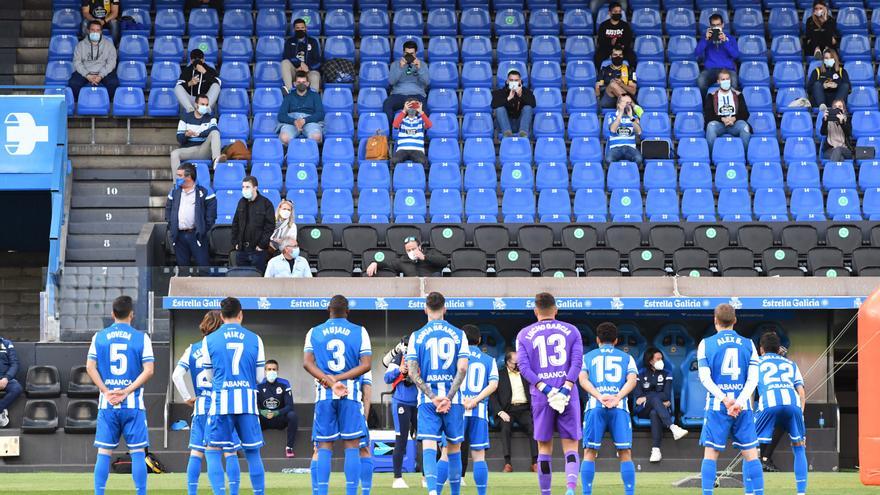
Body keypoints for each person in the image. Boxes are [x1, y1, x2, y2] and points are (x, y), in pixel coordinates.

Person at [515, 292, 585, 495]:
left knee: (544, 449)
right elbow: (577, 363)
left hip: (541, 397)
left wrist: (545, 388)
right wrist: (565, 388)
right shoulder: (572, 331)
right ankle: (570, 489)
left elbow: (524, 367)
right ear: (556, 309)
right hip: (567, 395)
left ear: (535, 310)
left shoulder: (523, 334)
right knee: (571, 446)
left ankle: (546, 493)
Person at [304, 295, 372, 495]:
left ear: (328, 310)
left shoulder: (313, 332)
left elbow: (307, 363)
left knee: (323, 445)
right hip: (350, 394)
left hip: (324, 394)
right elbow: (366, 365)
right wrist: (340, 379)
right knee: (352, 445)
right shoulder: (360, 331)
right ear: (348, 311)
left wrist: (330, 381)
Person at [87, 295, 154, 495]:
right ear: (132, 315)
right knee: (138, 452)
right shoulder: (142, 338)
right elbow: (149, 370)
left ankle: (99, 493)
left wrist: (107, 391)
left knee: (104, 453)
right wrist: (126, 391)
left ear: (112, 314)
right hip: (132, 404)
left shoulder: (99, 336)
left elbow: (90, 367)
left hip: (108, 404)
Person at [171, 310, 242, 495]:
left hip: (201, 407)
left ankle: (191, 492)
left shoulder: (192, 348)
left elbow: (176, 375)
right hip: (223, 404)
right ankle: (231, 492)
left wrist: (187, 397)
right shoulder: (223, 346)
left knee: (197, 452)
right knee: (230, 451)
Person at [405, 292, 469, 495]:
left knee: (429, 446)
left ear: (425, 309)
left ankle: (432, 491)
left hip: (427, 400)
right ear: (445, 308)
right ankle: (454, 492)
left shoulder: (417, 335)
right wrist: (448, 398)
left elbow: (413, 372)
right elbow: (463, 368)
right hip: (454, 400)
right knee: (454, 448)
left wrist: (433, 397)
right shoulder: (459, 334)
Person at [201, 297, 266, 495]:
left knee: (212, 451)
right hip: (247, 402)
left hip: (221, 402)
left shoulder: (209, 340)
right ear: (241, 314)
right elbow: (260, 377)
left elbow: (209, 376)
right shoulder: (255, 338)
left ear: (221, 316)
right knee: (253, 452)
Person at [698, 304, 764, 495]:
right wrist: (739, 402)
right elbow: (753, 379)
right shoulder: (749, 343)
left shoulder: (706, 343)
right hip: (743, 407)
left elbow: (705, 378)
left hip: (718, 405)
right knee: (751, 454)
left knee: (711, 454)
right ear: (735, 320)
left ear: (715, 320)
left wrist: (725, 399)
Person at [578, 322, 638, 495]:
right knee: (625, 451)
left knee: (589, 451)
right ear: (616, 340)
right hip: (619, 408)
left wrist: (599, 396)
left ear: (597, 339)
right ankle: (629, 493)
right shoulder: (627, 357)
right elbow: (632, 380)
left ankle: (587, 493)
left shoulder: (588, 356)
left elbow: (583, 380)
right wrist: (617, 397)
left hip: (596, 406)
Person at [753, 332, 808, 495]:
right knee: (799, 447)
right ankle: (801, 492)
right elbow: (801, 392)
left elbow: (750, 391)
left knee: (750, 448)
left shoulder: (756, 363)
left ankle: (753, 492)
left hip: (769, 403)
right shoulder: (791, 364)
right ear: (778, 349)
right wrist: (800, 415)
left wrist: (749, 414)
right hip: (793, 403)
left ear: (761, 349)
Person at [633, 347, 689, 463]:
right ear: (650, 361)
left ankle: (656, 450)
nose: (661, 361)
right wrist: (655, 398)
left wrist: (648, 397)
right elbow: (638, 398)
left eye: (661, 358)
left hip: (657, 410)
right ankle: (673, 427)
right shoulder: (640, 373)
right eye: (658, 359)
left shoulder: (666, 373)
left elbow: (667, 395)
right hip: (643, 410)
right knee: (654, 400)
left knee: (655, 413)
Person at [490, 350, 538, 473]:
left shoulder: (526, 374)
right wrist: (500, 412)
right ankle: (507, 463)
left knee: (533, 427)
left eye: (519, 363)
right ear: (507, 363)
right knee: (505, 427)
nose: (518, 365)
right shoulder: (499, 375)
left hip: (524, 409)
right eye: (515, 363)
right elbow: (493, 397)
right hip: (507, 410)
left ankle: (535, 462)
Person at [165, 163, 217, 268]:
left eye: (179, 175)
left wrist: (201, 230)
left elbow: (211, 215)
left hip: (197, 236)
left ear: (188, 177)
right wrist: (172, 226)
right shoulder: (174, 191)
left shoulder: (204, 191)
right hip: (179, 236)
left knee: (203, 269)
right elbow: (168, 210)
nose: (177, 178)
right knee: (183, 269)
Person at [383, 338, 419, 489]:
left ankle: (426, 476)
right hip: (402, 402)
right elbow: (387, 378)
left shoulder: (421, 355)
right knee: (401, 439)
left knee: (425, 438)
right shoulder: (399, 357)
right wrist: (400, 370)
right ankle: (397, 478)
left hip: (419, 402)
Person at [230, 176, 276, 274]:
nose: (244, 189)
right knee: (242, 280)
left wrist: (261, 245)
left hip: (258, 251)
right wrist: (236, 243)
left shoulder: (266, 203)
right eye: (243, 187)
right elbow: (235, 223)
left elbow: (270, 226)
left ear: (255, 188)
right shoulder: (241, 202)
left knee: (258, 281)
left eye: (247, 187)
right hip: (241, 250)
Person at [170, 94, 227, 172]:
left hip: (204, 149)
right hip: (190, 149)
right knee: (174, 154)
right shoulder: (185, 117)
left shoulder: (210, 117)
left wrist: (199, 134)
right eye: (202, 104)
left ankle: (216, 161)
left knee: (215, 132)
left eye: (207, 105)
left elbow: (214, 128)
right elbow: (179, 138)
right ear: (196, 105)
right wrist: (186, 135)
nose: (205, 107)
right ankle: (177, 183)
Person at [257, 359, 299, 458]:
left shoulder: (284, 383)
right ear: (265, 371)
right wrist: (261, 412)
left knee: (292, 415)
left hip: (279, 419)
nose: (271, 371)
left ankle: (289, 447)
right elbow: (252, 406)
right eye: (269, 369)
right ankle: (254, 447)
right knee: (251, 416)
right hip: (264, 420)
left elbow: (290, 406)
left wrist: (276, 413)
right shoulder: (258, 385)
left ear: (277, 371)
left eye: (274, 369)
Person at [68, 21, 118, 102]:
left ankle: (103, 101)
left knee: (113, 83)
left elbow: (111, 63)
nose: (95, 32)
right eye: (92, 30)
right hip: (86, 71)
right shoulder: (80, 45)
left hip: (103, 72)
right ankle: (83, 100)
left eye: (98, 30)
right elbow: (77, 62)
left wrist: (100, 76)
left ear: (101, 31)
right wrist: (87, 75)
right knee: (73, 83)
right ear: (88, 31)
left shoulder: (109, 45)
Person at [383, 40, 430, 127]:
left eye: (411, 53)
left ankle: (421, 134)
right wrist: (400, 68)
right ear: (403, 53)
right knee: (387, 104)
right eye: (406, 53)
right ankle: (390, 131)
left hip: (417, 95)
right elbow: (391, 82)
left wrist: (419, 68)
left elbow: (427, 82)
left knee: (425, 110)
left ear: (416, 53)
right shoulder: (395, 64)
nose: (409, 56)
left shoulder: (422, 65)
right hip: (398, 95)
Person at [704, 70, 751, 153]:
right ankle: (712, 157)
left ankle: (744, 156)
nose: (726, 81)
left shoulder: (738, 95)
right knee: (710, 127)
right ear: (718, 82)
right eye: (723, 79)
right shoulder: (711, 96)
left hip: (735, 123)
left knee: (744, 127)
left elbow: (745, 113)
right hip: (719, 124)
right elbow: (708, 116)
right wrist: (722, 119)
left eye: (727, 79)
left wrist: (734, 118)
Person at [696, 14, 739, 95]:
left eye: (718, 25)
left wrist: (725, 41)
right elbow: (697, 53)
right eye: (713, 25)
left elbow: (736, 55)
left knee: (734, 83)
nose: (716, 27)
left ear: (722, 25)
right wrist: (705, 40)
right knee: (701, 81)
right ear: (710, 26)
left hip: (727, 70)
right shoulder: (705, 38)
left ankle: (731, 106)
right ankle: (707, 105)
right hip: (710, 70)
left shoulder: (730, 38)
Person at [277, 71, 325, 145]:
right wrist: (294, 121)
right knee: (284, 138)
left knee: (316, 137)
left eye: (303, 82)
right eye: (299, 82)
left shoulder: (315, 96)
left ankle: (310, 155)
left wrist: (305, 120)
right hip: (292, 121)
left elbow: (320, 114)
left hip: (310, 121)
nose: (301, 84)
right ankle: (289, 154)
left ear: (307, 83)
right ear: (295, 84)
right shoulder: (289, 97)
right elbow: (281, 115)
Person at [365, 236, 448, 277]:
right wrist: (374, 263)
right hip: (413, 291)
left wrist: (425, 257)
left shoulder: (431, 252)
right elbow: (387, 264)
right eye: (408, 250)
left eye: (414, 249)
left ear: (419, 247)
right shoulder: (403, 260)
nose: (411, 251)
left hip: (433, 288)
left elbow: (444, 261)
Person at [491, 70, 536, 138]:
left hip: (520, 124)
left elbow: (533, 104)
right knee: (499, 109)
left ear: (520, 81)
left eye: (516, 80)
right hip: (504, 125)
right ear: (507, 81)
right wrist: (508, 98)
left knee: (528, 108)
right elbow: (493, 105)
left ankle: (523, 133)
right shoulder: (500, 92)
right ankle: (507, 133)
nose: (514, 82)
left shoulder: (526, 92)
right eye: (511, 80)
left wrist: (521, 95)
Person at [282, 18, 322, 92]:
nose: (300, 30)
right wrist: (300, 64)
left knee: (315, 75)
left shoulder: (312, 41)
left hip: (308, 71)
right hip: (295, 71)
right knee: (285, 63)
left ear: (305, 28)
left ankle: (313, 98)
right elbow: (286, 56)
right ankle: (289, 90)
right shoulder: (289, 41)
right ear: (294, 29)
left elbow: (318, 61)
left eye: (302, 28)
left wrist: (308, 68)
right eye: (297, 28)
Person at [175, 49, 221, 113]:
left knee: (216, 86)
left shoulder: (209, 70)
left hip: (206, 101)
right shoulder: (187, 71)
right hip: (192, 101)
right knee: (177, 88)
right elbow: (179, 85)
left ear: (203, 60)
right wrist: (189, 83)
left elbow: (218, 83)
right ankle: (190, 111)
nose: (197, 61)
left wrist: (205, 72)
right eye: (195, 59)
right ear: (191, 61)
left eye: (199, 59)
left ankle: (206, 109)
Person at [391, 98, 433, 166]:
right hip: (402, 149)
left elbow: (429, 125)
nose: (412, 108)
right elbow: (395, 125)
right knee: (394, 161)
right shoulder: (402, 120)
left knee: (423, 162)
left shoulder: (420, 120)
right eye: (410, 105)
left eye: (414, 105)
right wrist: (404, 110)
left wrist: (421, 111)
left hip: (417, 150)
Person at [594, 3, 636, 69]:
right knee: (598, 57)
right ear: (610, 13)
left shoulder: (625, 25)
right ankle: (600, 74)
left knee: (632, 56)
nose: (618, 13)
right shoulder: (603, 25)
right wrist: (611, 44)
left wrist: (620, 45)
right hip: (606, 48)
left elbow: (628, 39)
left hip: (622, 48)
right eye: (615, 11)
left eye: (619, 11)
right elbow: (601, 40)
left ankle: (631, 74)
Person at [606, 94, 643, 165]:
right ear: (618, 104)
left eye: (629, 103)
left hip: (630, 147)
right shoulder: (611, 116)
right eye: (626, 103)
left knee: (638, 159)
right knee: (609, 160)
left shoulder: (634, 117)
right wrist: (620, 114)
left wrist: (631, 117)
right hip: (615, 147)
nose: (628, 105)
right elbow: (612, 130)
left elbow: (639, 131)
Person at [357, 371, 375, 495]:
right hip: (353, 406)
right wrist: (365, 417)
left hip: (326, 403)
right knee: (362, 449)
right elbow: (367, 394)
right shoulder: (363, 357)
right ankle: (365, 492)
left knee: (320, 448)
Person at [0, 334, 22, 428]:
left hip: (6, 378)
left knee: (17, 388)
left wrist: (6, 378)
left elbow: (14, 364)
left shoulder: (6, 343)